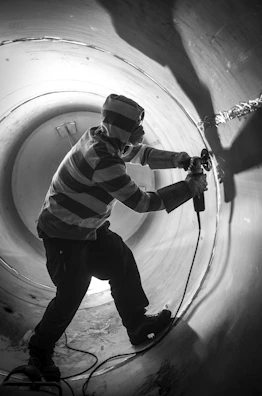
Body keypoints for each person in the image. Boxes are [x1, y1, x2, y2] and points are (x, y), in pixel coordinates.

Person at [28, 94, 207, 381]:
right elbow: (142, 203)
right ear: (123, 127)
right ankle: (39, 350)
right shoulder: (102, 159)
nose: (139, 131)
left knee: (120, 260)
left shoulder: (102, 137)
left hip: (87, 227)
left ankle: (137, 325)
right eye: (136, 126)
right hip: (62, 235)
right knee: (72, 292)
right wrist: (189, 188)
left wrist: (180, 160)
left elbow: (140, 154)